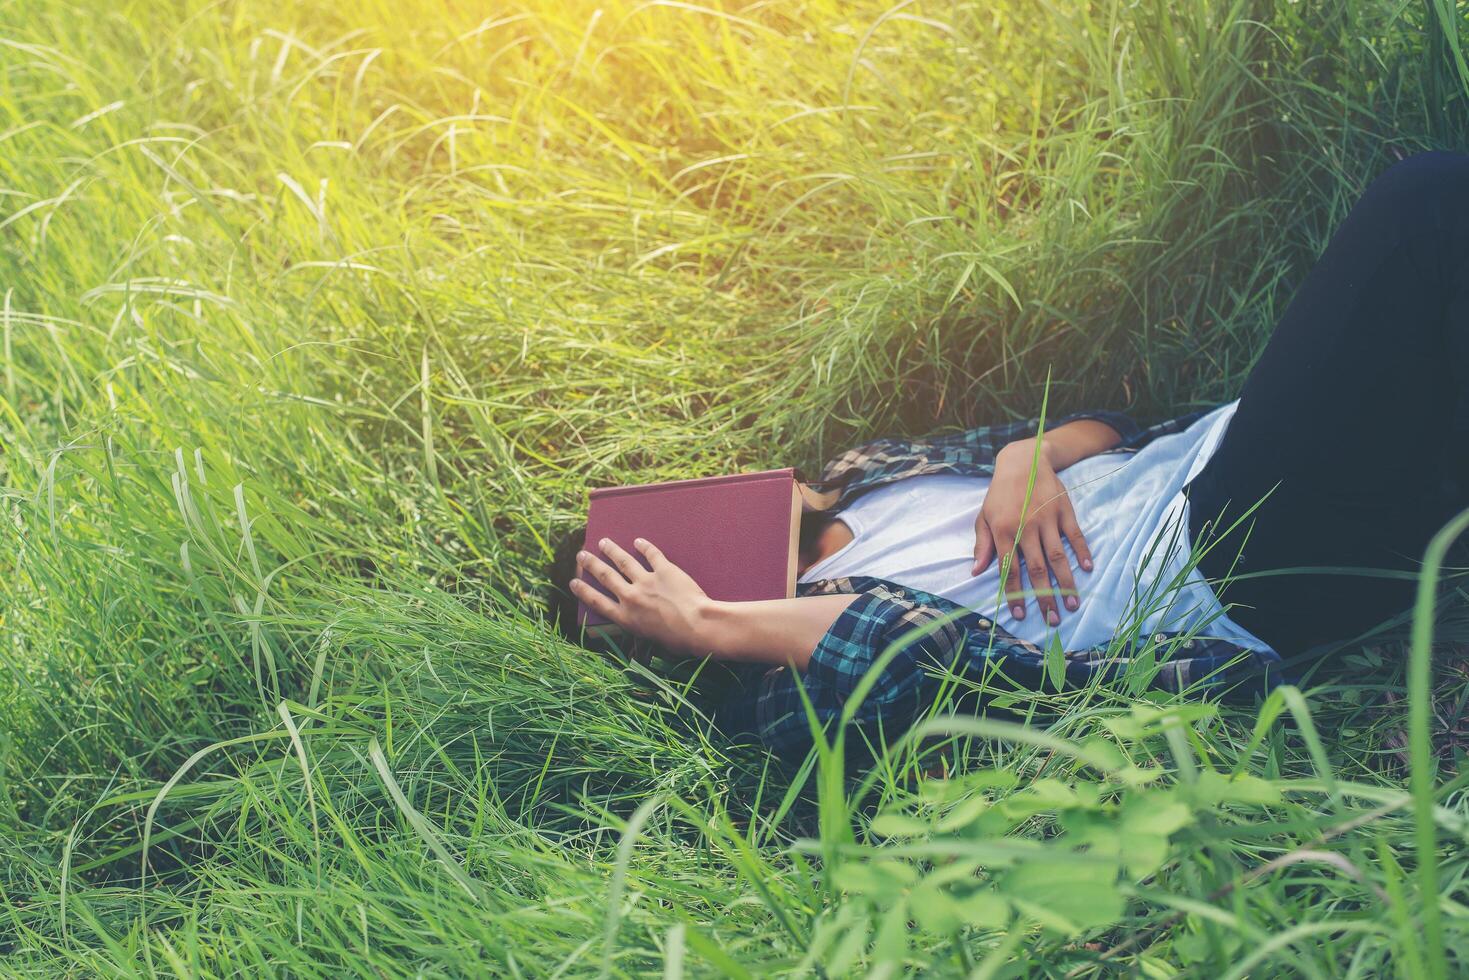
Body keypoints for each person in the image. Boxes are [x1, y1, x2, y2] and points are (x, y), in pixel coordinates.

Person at [547, 151, 1469, 759]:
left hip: (1225, 452)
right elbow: (921, 659)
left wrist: (1025, 459)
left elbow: (1116, 428)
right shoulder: (780, 688)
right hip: (1234, 569)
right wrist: (710, 627)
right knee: (1417, 211)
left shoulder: (871, 473)